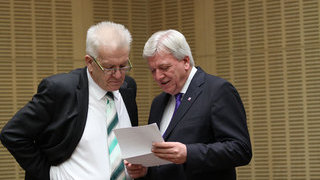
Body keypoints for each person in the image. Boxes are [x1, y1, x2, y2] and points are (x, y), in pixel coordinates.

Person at [0, 21, 138, 180]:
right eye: (109, 68)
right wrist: (48, 174)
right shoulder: (60, 90)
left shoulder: (128, 89)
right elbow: (13, 134)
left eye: (123, 66)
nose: (119, 75)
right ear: (90, 62)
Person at [125, 29, 252, 180]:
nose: (158, 76)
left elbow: (240, 149)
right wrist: (145, 171)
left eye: (164, 68)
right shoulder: (158, 103)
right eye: (153, 70)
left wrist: (188, 153)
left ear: (185, 61)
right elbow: (161, 161)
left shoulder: (217, 91)